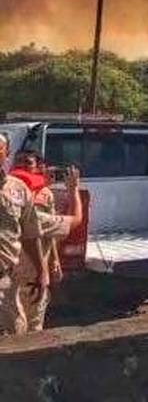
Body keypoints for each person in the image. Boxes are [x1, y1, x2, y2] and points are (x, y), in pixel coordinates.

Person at [9, 151, 84, 332]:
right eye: (19, 162)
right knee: (18, 329)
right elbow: (74, 220)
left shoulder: (45, 194)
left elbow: (47, 234)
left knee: (30, 325)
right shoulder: (16, 200)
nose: (23, 167)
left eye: (28, 163)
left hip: (31, 273)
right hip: (19, 274)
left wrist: (54, 260)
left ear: (38, 167)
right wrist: (73, 190)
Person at [0, 134, 47, 336]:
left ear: (6, 154)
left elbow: (30, 234)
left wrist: (41, 271)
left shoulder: (18, 190)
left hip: (5, 280)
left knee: (16, 332)